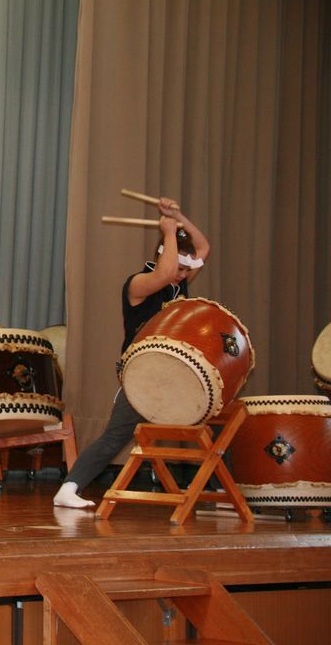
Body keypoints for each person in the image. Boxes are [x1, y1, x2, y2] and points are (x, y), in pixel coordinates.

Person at [53, 197, 210, 508]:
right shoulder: (138, 284)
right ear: (164, 256)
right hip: (142, 373)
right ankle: (68, 489)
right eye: (179, 267)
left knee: (212, 414)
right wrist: (168, 232)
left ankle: (220, 492)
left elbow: (203, 248)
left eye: (185, 270)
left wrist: (177, 216)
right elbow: (165, 274)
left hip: (173, 372)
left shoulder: (176, 283)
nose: (181, 275)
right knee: (116, 436)